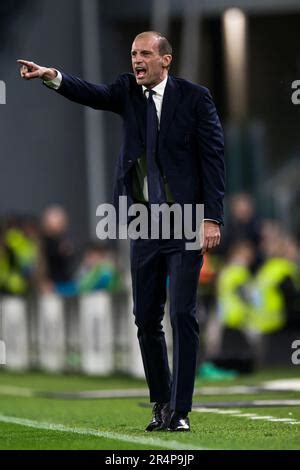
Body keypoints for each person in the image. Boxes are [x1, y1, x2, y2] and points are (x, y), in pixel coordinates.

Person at [18, 31, 225, 432]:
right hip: (144, 223)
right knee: (145, 318)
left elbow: (213, 158)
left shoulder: (196, 98)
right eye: (133, 54)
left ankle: (180, 411)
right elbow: (91, 92)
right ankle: (161, 403)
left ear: (166, 60)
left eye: (145, 53)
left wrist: (212, 217)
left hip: (186, 221)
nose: (137, 60)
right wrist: (51, 76)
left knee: (182, 313)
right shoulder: (127, 91)